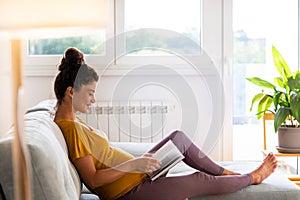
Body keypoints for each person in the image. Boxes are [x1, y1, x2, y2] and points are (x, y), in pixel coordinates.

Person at [53, 47, 278, 200]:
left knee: (177, 138)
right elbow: (93, 179)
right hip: (129, 190)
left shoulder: (73, 121)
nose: (93, 99)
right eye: (90, 93)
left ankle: (226, 173)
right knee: (199, 179)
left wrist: (138, 164)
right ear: (71, 92)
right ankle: (252, 177)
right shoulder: (70, 129)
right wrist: (133, 165)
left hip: (137, 174)